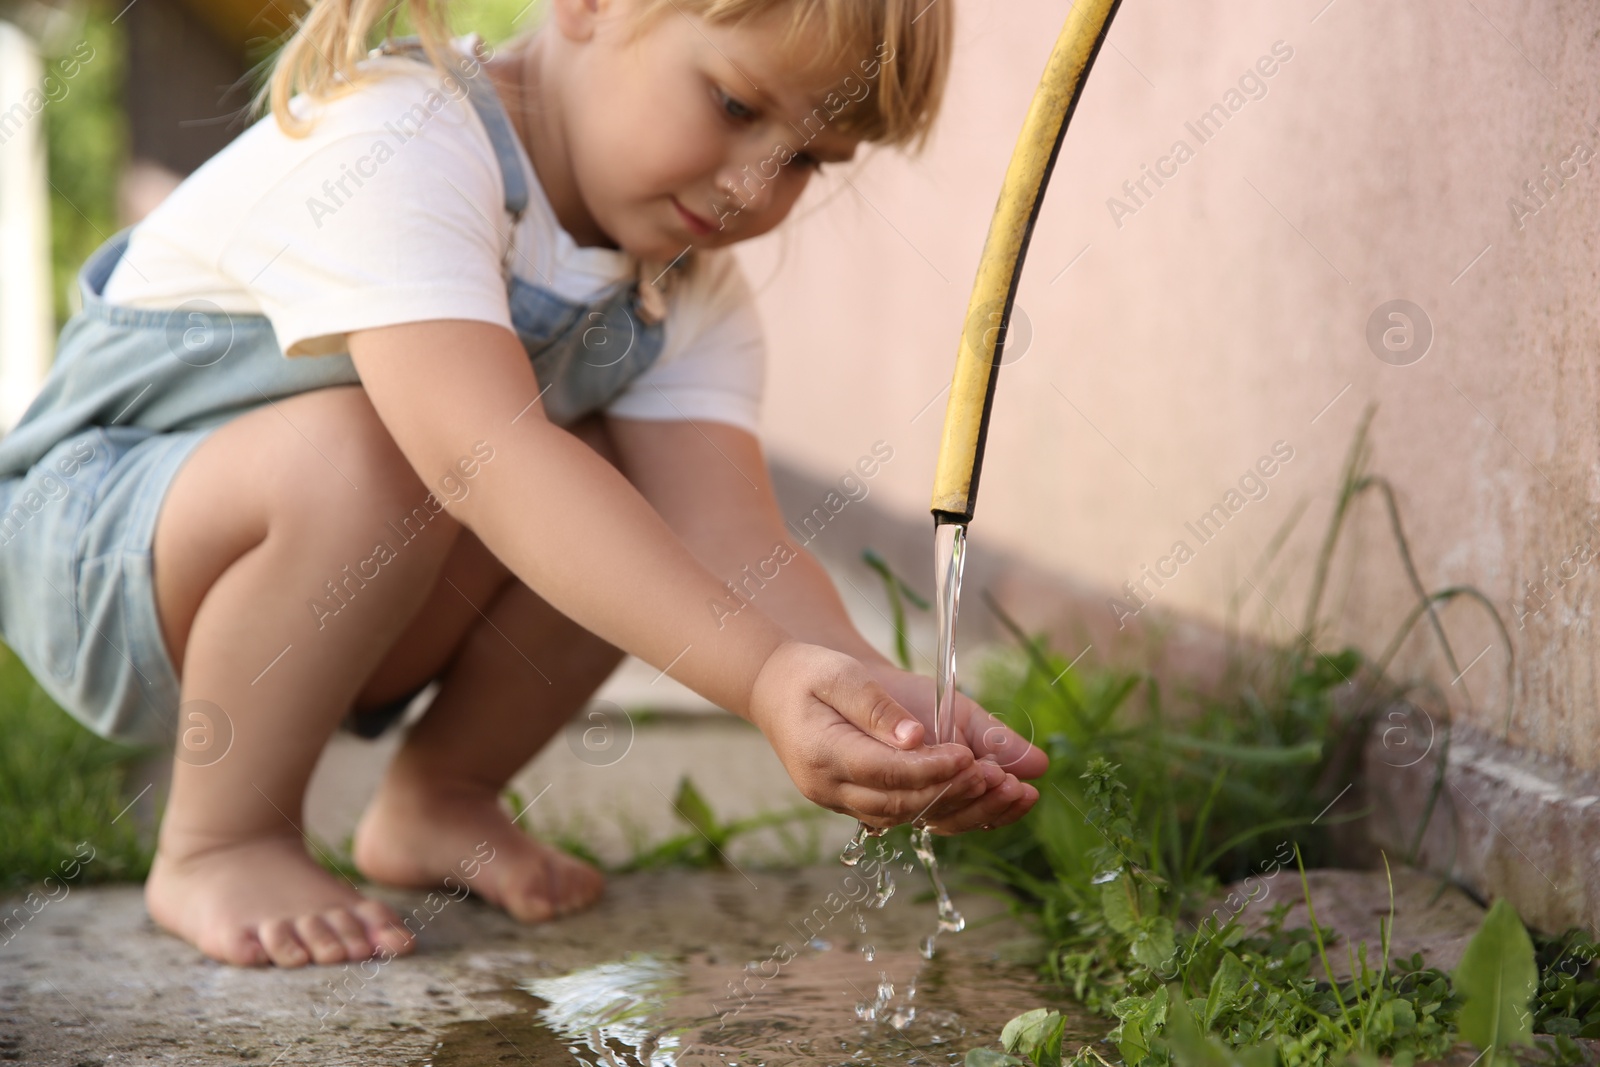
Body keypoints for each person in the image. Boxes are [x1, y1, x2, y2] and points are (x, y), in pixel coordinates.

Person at [0, 0, 1045, 969]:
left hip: (323, 587)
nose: (751, 187)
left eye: (809, 159)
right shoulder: (403, 143)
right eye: (733, 104)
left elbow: (733, 539)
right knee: (389, 450)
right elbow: (481, 459)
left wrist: (878, 702)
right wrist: (762, 680)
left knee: (623, 510)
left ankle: (439, 797)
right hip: (104, 548)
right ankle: (221, 836)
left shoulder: (685, 290)